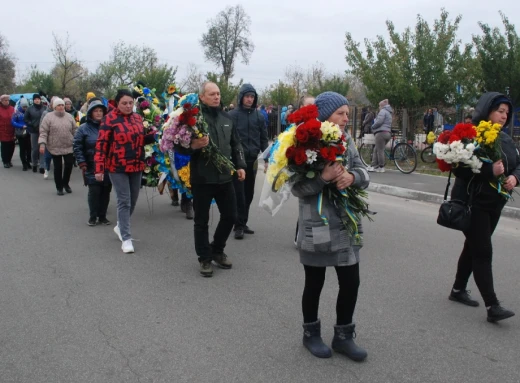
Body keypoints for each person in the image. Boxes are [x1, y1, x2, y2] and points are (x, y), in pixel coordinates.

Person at [292, 91, 369, 361]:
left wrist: (352, 177)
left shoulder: (347, 140)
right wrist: (323, 177)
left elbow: (364, 171)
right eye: (341, 113)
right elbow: (297, 188)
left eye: (348, 113)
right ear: (326, 116)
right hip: (317, 223)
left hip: (346, 221)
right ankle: (310, 334)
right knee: (315, 282)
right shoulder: (303, 143)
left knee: (351, 281)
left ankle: (343, 336)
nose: (347, 119)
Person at [449, 92, 519, 323]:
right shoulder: (471, 135)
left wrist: (514, 179)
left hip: (494, 203)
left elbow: (517, 164)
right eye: (500, 111)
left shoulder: (505, 138)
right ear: (487, 110)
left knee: (473, 247)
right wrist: (490, 171)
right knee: (483, 252)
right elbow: (458, 168)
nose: (504, 116)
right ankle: (492, 305)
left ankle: (458, 290)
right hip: (474, 202)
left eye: (507, 113)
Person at [175, 81, 246, 277]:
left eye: (218, 93)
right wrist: (194, 146)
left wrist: (240, 165)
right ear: (202, 97)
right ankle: (204, 258)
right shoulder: (192, 120)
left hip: (225, 177)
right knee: (201, 220)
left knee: (231, 215)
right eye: (212, 94)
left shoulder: (227, 117)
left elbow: (236, 143)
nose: (216, 97)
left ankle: (217, 249)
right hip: (202, 178)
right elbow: (179, 146)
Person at [94, 89, 156, 254]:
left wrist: (152, 137)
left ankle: (120, 226)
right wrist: (99, 168)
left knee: (133, 200)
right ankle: (126, 237)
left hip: (136, 165)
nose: (128, 106)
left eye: (130, 103)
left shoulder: (137, 118)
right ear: (117, 103)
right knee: (124, 201)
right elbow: (101, 145)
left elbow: (139, 139)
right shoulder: (109, 119)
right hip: (117, 166)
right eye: (124, 103)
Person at [229, 84, 268, 239]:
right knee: (239, 193)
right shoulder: (232, 115)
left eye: (252, 97)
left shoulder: (259, 116)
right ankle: (237, 225)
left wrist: (266, 158)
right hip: (238, 161)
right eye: (247, 96)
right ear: (241, 97)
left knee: (249, 193)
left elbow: (264, 138)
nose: (250, 99)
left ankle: (243, 222)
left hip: (253, 161)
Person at [73, 100, 112, 226]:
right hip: (91, 164)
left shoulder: (109, 127)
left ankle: (102, 216)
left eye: (101, 111)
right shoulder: (83, 129)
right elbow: (77, 146)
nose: (99, 113)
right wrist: (82, 162)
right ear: (90, 113)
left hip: (107, 165)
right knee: (94, 191)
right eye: (96, 111)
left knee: (106, 191)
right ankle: (93, 216)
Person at [39, 98, 77, 195]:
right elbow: (43, 132)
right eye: (58, 105)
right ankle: (59, 187)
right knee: (58, 167)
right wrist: (42, 144)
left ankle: (65, 183)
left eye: (62, 105)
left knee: (69, 165)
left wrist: (77, 141)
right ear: (54, 107)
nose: (61, 107)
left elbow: (75, 130)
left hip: (68, 146)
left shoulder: (69, 116)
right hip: (54, 147)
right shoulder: (48, 117)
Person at [366, 99, 393, 173]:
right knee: (376, 149)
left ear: (382, 106)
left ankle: (381, 167)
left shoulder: (383, 111)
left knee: (379, 150)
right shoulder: (389, 113)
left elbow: (379, 121)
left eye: (379, 106)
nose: (379, 107)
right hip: (387, 133)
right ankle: (374, 165)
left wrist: (373, 126)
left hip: (381, 133)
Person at [24, 94, 46, 172]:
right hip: (34, 131)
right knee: (35, 149)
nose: (37, 100)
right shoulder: (30, 109)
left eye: (38, 99)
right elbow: (25, 119)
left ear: (40, 100)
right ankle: (34, 164)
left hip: (43, 131)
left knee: (42, 148)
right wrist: (31, 124)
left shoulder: (44, 108)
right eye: (35, 99)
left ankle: (42, 166)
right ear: (33, 100)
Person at [11, 97, 32, 171]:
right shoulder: (16, 113)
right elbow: (13, 122)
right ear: (21, 106)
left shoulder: (29, 112)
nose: (25, 108)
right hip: (21, 133)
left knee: (29, 149)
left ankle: (28, 161)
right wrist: (21, 126)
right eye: (24, 106)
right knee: (22, 149)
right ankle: (24, 163)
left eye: (26, 106)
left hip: (29, 132)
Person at [39, 97, 56, 179]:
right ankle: (47, 169)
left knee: (57, 156)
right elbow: (42, 126)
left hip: (59, 139)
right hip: (49, 138)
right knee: (48, 156)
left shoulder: (63, 114)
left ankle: (57, 172)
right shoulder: (46, 113)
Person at [0, 94, 15, 168]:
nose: (7, 102)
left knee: (11, 147)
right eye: (5, 100)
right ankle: (5, 161)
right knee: (5, 147)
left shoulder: (12, 108)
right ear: (1, 101)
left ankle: (9, 160)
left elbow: (15, 118)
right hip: (2, 130)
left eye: (8, 100)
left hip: (11, 130)